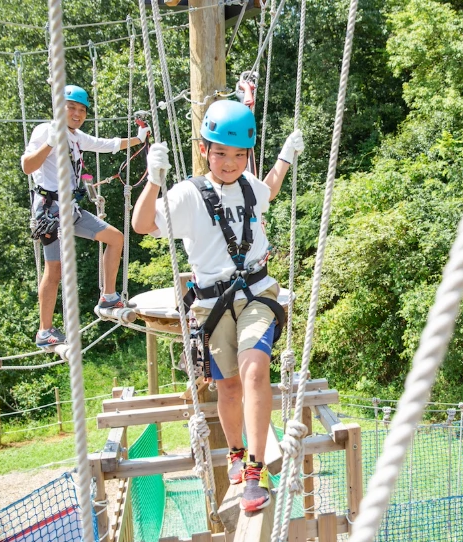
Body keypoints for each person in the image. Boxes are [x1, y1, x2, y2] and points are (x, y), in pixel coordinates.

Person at [132, 100, 304, 512]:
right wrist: (154, 180)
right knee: (227, 386)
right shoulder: (189, 194)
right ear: (205, 149)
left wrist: (284, 155)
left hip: (258, 292)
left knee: (255, 367)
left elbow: (271, 188)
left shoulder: (249, 187)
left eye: (240, 155)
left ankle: (255, 471)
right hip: (211, 303)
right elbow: (141, 224)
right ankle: (235, 451)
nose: (230, 163)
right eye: (221, 153)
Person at [21, 85, 150, 348]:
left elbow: (106, 145)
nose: (77, 114)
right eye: (71, 108)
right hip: (50, 211)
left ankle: (108, 295)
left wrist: (138, 139)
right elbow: (27, 166)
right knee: (54, 269)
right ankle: (44, 331)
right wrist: (50, 142)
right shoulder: (46, 130)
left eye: (82, 110)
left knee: (115, 238)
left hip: (71, 210)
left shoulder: (77, 136)